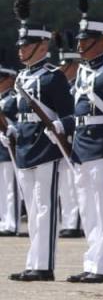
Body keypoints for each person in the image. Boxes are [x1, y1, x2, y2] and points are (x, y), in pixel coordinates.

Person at [5, 0, 74, 282]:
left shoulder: (52, 77)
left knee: (44, 207)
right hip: (24, 148)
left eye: (26, 45)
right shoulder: (22, 78)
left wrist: (58, 125)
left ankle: (44, 266)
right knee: (32, 210)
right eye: (20, 45)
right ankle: (34, 260)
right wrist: (13, 130)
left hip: (46, 149)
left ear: (42, 46)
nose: (21, 50)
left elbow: (71, 116)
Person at [65, 0, 103, 284]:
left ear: (102, 41)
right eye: (79, 40)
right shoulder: (84, 73)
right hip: (81, 146)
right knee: (88, 209)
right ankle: (91, 262)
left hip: (102, 146)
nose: (80, 45)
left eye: (85, 40)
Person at [54, 31, 84, 239]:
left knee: (77, 183)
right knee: (66, 185)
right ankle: (69, 221)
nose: (62, 70)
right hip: (62, 139)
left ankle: (77, 222)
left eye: (66, 66)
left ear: (74, 66)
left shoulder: (79, 87)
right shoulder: (62, 88)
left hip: (77, 139)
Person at [0, 51, 21, 237]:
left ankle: (12, 223)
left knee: (10, 188)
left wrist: (10, 130)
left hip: (9, 150)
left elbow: (18, 124)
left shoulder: (12, 100)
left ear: (9, 79)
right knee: (2, 188)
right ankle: (4, 220)